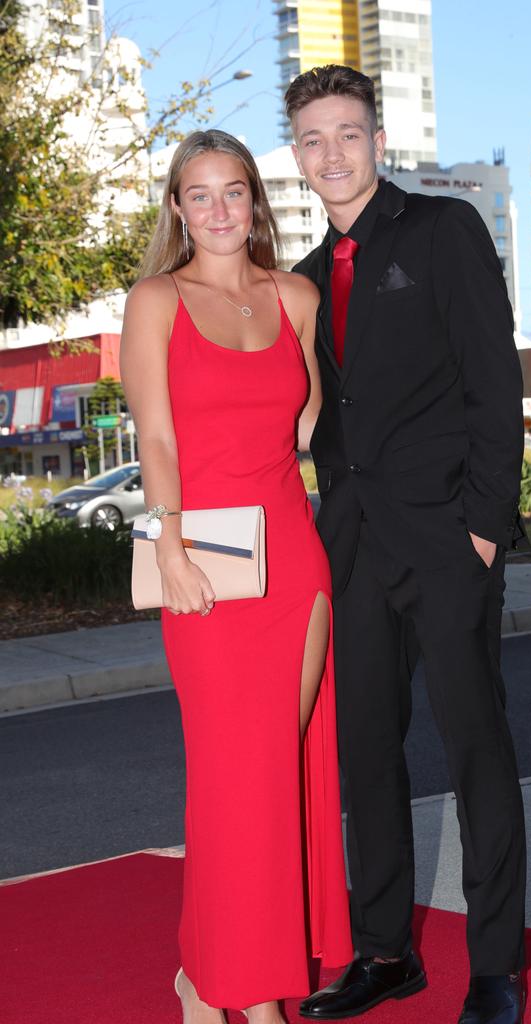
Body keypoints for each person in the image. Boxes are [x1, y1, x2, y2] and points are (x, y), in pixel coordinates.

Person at [286, 67, 527, 1024]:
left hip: (443, 537)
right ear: (296, 156)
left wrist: (482, 524)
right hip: (346, 549)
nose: (332, 153)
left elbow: (494, 383)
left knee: (478, 750)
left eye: (348, 133)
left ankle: (495, 967)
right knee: (366, 756)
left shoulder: (441, 231)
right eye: (313, 138)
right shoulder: (302, 281)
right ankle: (386, 952)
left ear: (375, 139)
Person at [119, 129, 352, 1024]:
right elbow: (158, 440)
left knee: (278, 772)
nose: (219, 210)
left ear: (255, 201)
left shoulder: (295, 298)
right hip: (204, 563)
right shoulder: (155, 301)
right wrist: (168, 546)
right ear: (177, 208)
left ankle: (224, 977)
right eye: (199, 194)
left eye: (234, 191)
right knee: (232, 778)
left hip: (295, 556)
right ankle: (229, 987)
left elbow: (313, 429)